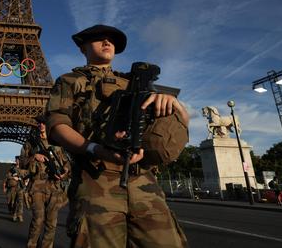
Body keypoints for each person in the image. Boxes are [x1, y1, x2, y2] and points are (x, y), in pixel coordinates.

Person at [46, 24, 190, 247]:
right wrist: (95, 149)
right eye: (99, 38)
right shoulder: (70, 81)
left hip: (143, 179)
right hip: (96, 180)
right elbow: (56, 125)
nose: (107, 42)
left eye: (111, 40)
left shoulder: (137, 84)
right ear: (82, 47)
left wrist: (173, 107)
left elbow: (166, 127)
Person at [20, 115, 70, 248]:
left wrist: (64, 172)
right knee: (38, 220)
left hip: (54, 187)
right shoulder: (30, 143)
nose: (41, 125)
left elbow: (67, 163)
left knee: (51, 223)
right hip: (37, 186)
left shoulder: (58, 143)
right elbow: (22, 163)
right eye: (39, 123)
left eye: (44, 122)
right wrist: (34, 156)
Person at [3, 155, 25, 222]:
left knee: (20, 202)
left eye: (18, 160)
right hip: (12, 188)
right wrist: (13, 177)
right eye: (16, 160)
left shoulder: (23, 169)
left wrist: (22, 179)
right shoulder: (12, 169)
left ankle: (20, 215)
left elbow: (27, 175)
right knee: (13, 202)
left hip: (20, 187)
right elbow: (7, 176)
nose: (17, 161)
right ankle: (14, 214)